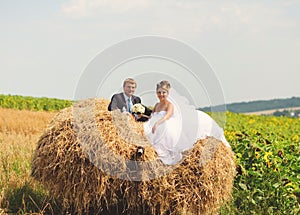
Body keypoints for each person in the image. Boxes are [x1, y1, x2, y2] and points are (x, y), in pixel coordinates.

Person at [143, 80, 230, 165]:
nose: (161, 95)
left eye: (163, 92)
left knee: (164, 130)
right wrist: (142, 117)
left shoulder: (169, 104)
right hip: (156, 124)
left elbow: (167, 116)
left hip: (164, 123)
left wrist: (158, 123)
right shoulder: (156, 105)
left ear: (168, 93)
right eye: (159, 92)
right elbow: (152, 117)